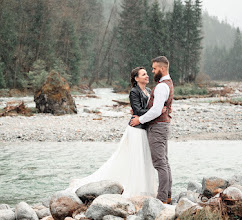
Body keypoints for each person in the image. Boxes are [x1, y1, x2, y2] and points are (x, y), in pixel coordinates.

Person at [67, 67, 167, 197]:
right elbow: (137, 111)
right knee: (136, 159)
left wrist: (157, 110)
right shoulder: (134, 92)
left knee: (144, 159)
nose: (147, 76)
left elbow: (149, 109)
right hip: (136, 130)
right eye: (143, 74)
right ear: (136, 78)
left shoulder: (148, 91)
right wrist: (158, 111)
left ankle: (146, 189)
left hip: (145, 129)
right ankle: (134, 190)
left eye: (147, 74)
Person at [130, 56, 174, 204]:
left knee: (160, 164)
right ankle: (167, 195)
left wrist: (139, 119)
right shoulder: (168, 83)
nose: (152, 71)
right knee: (164, 162)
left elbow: (155, 111)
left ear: (161, 69)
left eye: (154, 69)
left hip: (157, 127)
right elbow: (157, 109)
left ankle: (161, 199)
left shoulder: (161, 86)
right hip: (163, 125)